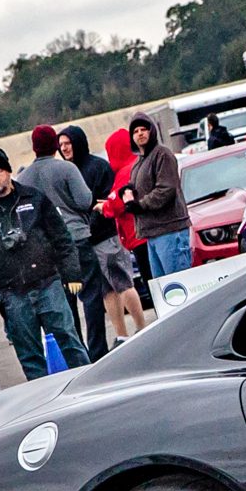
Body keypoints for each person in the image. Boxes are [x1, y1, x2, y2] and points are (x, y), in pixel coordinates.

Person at [0, 146, 88, 380]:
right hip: (12, 294)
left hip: (49, 285)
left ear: (8, 172)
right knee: (30, 356)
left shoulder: (35, 199)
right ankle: (43, 401)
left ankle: (89, 386)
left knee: (70, 342)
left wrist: (72, 273)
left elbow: (62, 238)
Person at [59, 125, 117, 358]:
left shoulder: (98, 167)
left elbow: (104, 202)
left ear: (78, 143)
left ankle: (102, 348)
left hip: (102, 239)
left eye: (67, 143)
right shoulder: (61, 172)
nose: (64, 148)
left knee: (111, 291)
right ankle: (81, 353)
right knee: (79, 300)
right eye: (60, 145)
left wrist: (88, 228)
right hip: (75, 245)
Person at [120, 114, 194, 276]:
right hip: (152, 234)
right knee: (165, 290)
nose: (140, 133)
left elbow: (165, 189)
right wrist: (127, 191)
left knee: (180, 285)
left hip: (170, 230)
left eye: (144, 129)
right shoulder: (139, 161)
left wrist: (140, 205)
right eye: (136, 131)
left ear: (152, 131)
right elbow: (141, 186)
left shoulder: (162, 154)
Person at [98, 127, 154, 331]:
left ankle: (144, 327)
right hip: (145, 235)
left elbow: (117, 202)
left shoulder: (125, 172)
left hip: (139, 237)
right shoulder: (137, 165)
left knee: (152, 285)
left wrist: (103, 206)